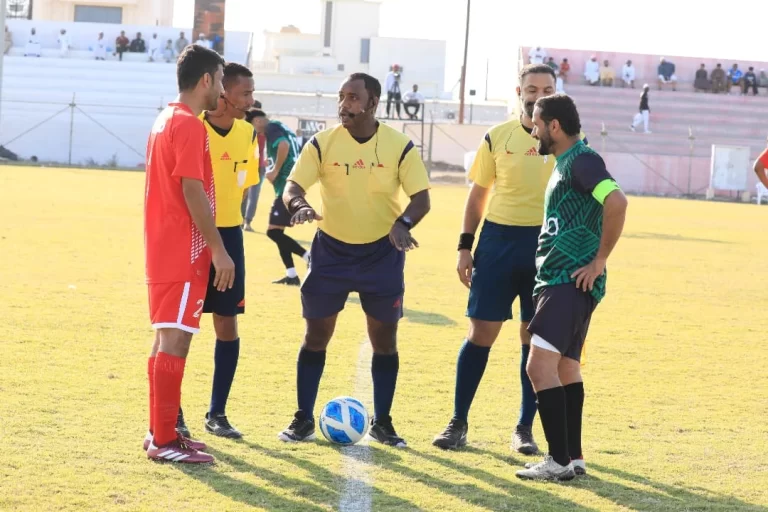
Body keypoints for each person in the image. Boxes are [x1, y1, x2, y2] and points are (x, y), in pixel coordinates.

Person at [432, 64, 585, 453]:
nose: (538, 95)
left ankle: (524, 429)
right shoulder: (497, 136)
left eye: (547, 89)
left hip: (548, 248)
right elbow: (478, 194)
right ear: (519, 93)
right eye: (532, 89)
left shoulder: (570, 140)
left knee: (534, 341)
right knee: (481, 332)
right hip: (498, 242)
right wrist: (464, 245)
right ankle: (457, 422)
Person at [278, 72, 431, 446]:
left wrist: (402, 223)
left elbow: (421, 198)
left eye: (352, 97)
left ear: (373, 102)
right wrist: (299, 205)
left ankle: (383, 422)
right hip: (330, 252)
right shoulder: (322, 143)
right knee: (316, 335)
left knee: (384, 340)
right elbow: (292, 186)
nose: (344, 104)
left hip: (382, 254)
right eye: (341, 97)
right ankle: (302, 419)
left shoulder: (399, 146)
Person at [516, 93, 627, 481]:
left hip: (567, 280)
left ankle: (558, 460)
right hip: (563, 280)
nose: (533, 132)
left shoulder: (582, 160)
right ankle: (574, 458)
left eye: (536, 125)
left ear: (555, 126)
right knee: (565, 366)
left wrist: (599, 260)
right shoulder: (568, 161)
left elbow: (617, 201)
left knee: (538, 366)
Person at [143, 44, 231, 464]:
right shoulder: (190, 125)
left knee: (165, 337)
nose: (223, 91)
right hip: (181, 250)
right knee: (175, 339)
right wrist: (219, 249)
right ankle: (164, 441)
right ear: (206, 80)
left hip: (163, 247)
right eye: (221, 81)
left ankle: (159, 432)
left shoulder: (164, 119)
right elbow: (192, 190)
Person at [178, 62, 259, 440]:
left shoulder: (247, 133)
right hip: (191, 236)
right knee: (181, 326)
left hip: (230, 236)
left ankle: (218, 413)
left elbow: (242, 187)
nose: (251, 100)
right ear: (223, 93)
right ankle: (172, 412)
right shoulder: (192, 128)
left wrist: (229, 233)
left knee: (227, 324)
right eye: (246, 93)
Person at [250, 110, 309, 285]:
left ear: (258, 121)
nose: (253, 130)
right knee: (278, 233)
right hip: (291, 185)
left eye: (251, 124)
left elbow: (284, 145)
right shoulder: (280, 126)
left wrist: (275, 170)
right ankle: (291, 275)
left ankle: (309, 256)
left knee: (273, 232)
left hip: (286, 187)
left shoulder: (271, 128)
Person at [242, 100, 267, 231]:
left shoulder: (261, 129)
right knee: (245, 194)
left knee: (252, 195)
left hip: (257, 166)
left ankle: (246, 221)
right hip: (247, 165)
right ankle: (243, 221)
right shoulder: (245, 128)